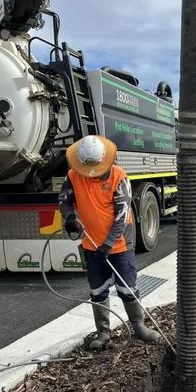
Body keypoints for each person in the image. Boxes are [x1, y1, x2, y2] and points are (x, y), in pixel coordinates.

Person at [58, 135, 160, 350]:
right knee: (97, 289)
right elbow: (64, 200)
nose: (93, 173)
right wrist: (69, 218)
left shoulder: (119, 177)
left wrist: (109, 244)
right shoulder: (74, 175)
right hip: (91, 243)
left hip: (119, 243)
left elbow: (122, 215)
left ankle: (138, 324)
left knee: (127, 286)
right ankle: (103, 331)